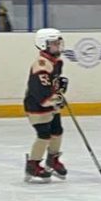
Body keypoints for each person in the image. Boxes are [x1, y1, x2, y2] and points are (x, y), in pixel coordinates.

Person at [22, 28, 70, 183]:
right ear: (44, 45)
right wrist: (56, 99)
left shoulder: (55, 62)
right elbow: (41, 94)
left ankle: (52, 159)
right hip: (37, 106)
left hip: (50, 104)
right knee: (44, 134)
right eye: (54, 43)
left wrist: (59, 89)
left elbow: (52, 85)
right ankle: (33, 164)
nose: (58, 46)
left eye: (58, 43)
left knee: (57, 131)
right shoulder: (41, 65)